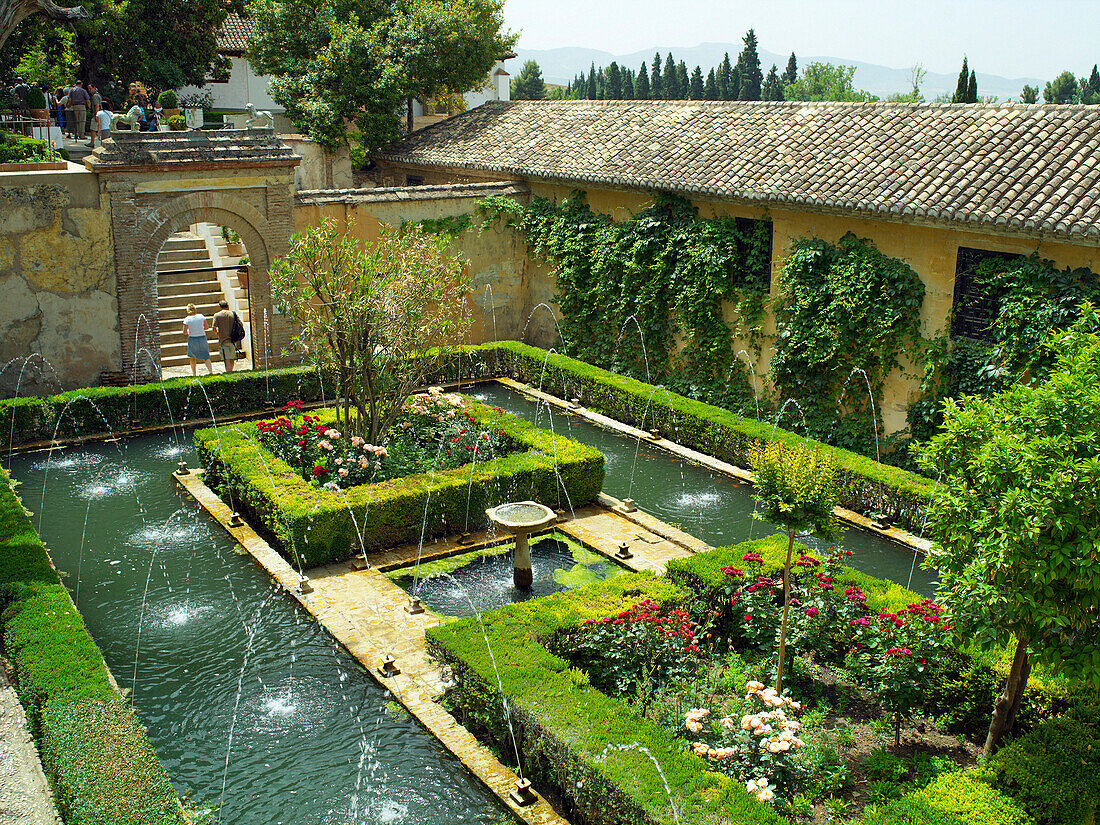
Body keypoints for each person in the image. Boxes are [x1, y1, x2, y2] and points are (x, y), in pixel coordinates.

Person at [182, 303, 213, 376]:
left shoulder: (187, 319)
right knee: (206, 356)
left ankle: (194, 374)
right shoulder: (201, 316)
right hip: (202, 337)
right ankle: (210, 372)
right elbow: (206, 327)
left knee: (192, 357)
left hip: (192, 338)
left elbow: (184, 332)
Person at [211, 300, 237, 372]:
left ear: (219, 306)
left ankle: (229, 373)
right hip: (233, 339)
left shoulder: (217, 315)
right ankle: (231, 371)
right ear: (227, 305)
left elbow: (214, 328)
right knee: (232, 358)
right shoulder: (233, 314)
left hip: (223, 340)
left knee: (227, 359)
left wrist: (217, 333)